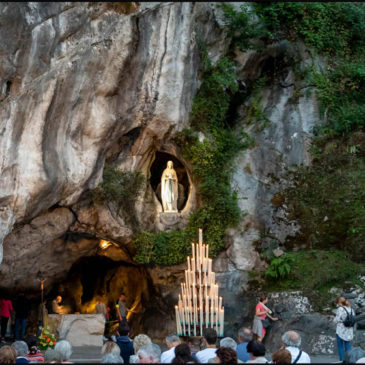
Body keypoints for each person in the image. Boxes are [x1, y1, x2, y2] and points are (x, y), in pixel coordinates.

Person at [334, 296, 355, 362]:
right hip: (349, 330)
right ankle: (349, 360)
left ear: (339, 302)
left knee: (340, 347)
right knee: (348, 346)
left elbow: (337, 319)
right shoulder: (351, 309)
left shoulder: (340, 309)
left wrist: (334, 319)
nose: (337, 304)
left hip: (341, 330)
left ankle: (342, 361)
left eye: (337, 303)